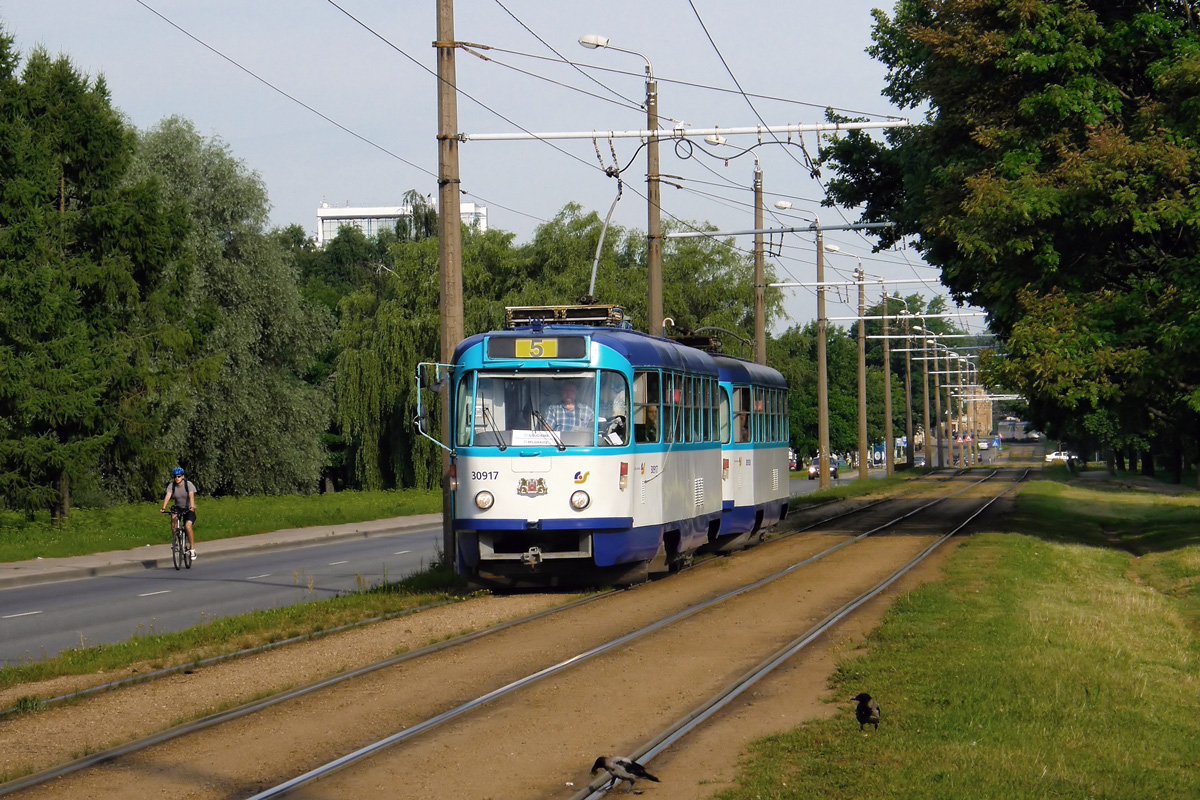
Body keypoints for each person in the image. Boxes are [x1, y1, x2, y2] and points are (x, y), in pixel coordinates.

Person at [160, 467, 198, 560]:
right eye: (175, 476)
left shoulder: (188, 484)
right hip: (178, 508)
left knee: (188, 527)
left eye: (179, 476)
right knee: (173, 517)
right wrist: (163, 507)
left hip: (189, 508)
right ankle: (176, 539)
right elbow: (168, 496)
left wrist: (192, 506)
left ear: (183, 477)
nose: (177, 478)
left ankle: (192, 550)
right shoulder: (171, 486)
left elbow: (191, 495)